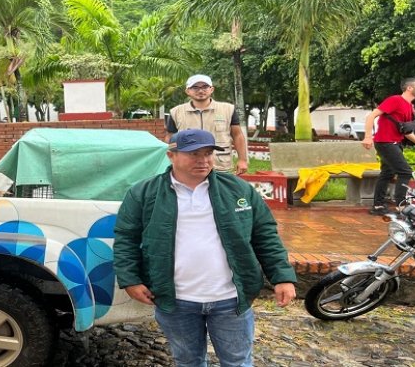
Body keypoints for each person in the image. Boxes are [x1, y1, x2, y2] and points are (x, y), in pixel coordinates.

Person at [114, 129, 297, 367]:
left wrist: (282, 277)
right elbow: (126, 238)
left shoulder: (238, 190)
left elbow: (265, 235)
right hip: (176, 301)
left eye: (208, 153)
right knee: (188, 362)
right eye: (193, 153)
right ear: (171, 155)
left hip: (231, 299)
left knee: (237, 362)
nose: (203, 160)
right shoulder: (144, 193)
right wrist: (130, 279)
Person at [362, 78, 415, 216]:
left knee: (387, 173)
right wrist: (368, 136)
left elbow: (407, 132)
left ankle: (378, 206)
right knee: (405, 172)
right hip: (385, 142)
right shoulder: (395, 100)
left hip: (395, 143)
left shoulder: (409, 107)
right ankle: (402, 206)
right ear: (409, 88)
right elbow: (371, 116)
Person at [165, 74, 248, 174]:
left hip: (221, 166)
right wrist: (172, 159)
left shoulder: (228, 109)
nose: (200, 90)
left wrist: (242, 160)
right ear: (187, 91)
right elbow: (170, 137)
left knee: (220, 189)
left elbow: (237, 135)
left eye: (205, 87)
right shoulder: (176, 112)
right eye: (195, 87)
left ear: (211, 89)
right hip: (189, 166)